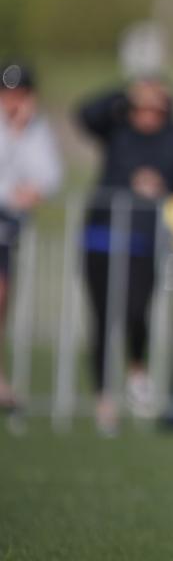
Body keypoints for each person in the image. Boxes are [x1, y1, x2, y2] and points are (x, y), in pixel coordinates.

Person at [76, 76, 173, 434]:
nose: (149, 111)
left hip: (147, 241)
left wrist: (170, 202)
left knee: (136, 311)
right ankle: (104, 399)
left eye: (156, 103)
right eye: (143, 103)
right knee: (102, 318)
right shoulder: (117, 129)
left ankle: (137, 367)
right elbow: (85, 115)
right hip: (101, 237)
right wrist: (123, 91)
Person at [0, 62, 62, 411]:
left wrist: (21, 130)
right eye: (7, 93)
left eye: (19, 94)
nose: (12, 101)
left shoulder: (35, 129)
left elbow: (49, 176)